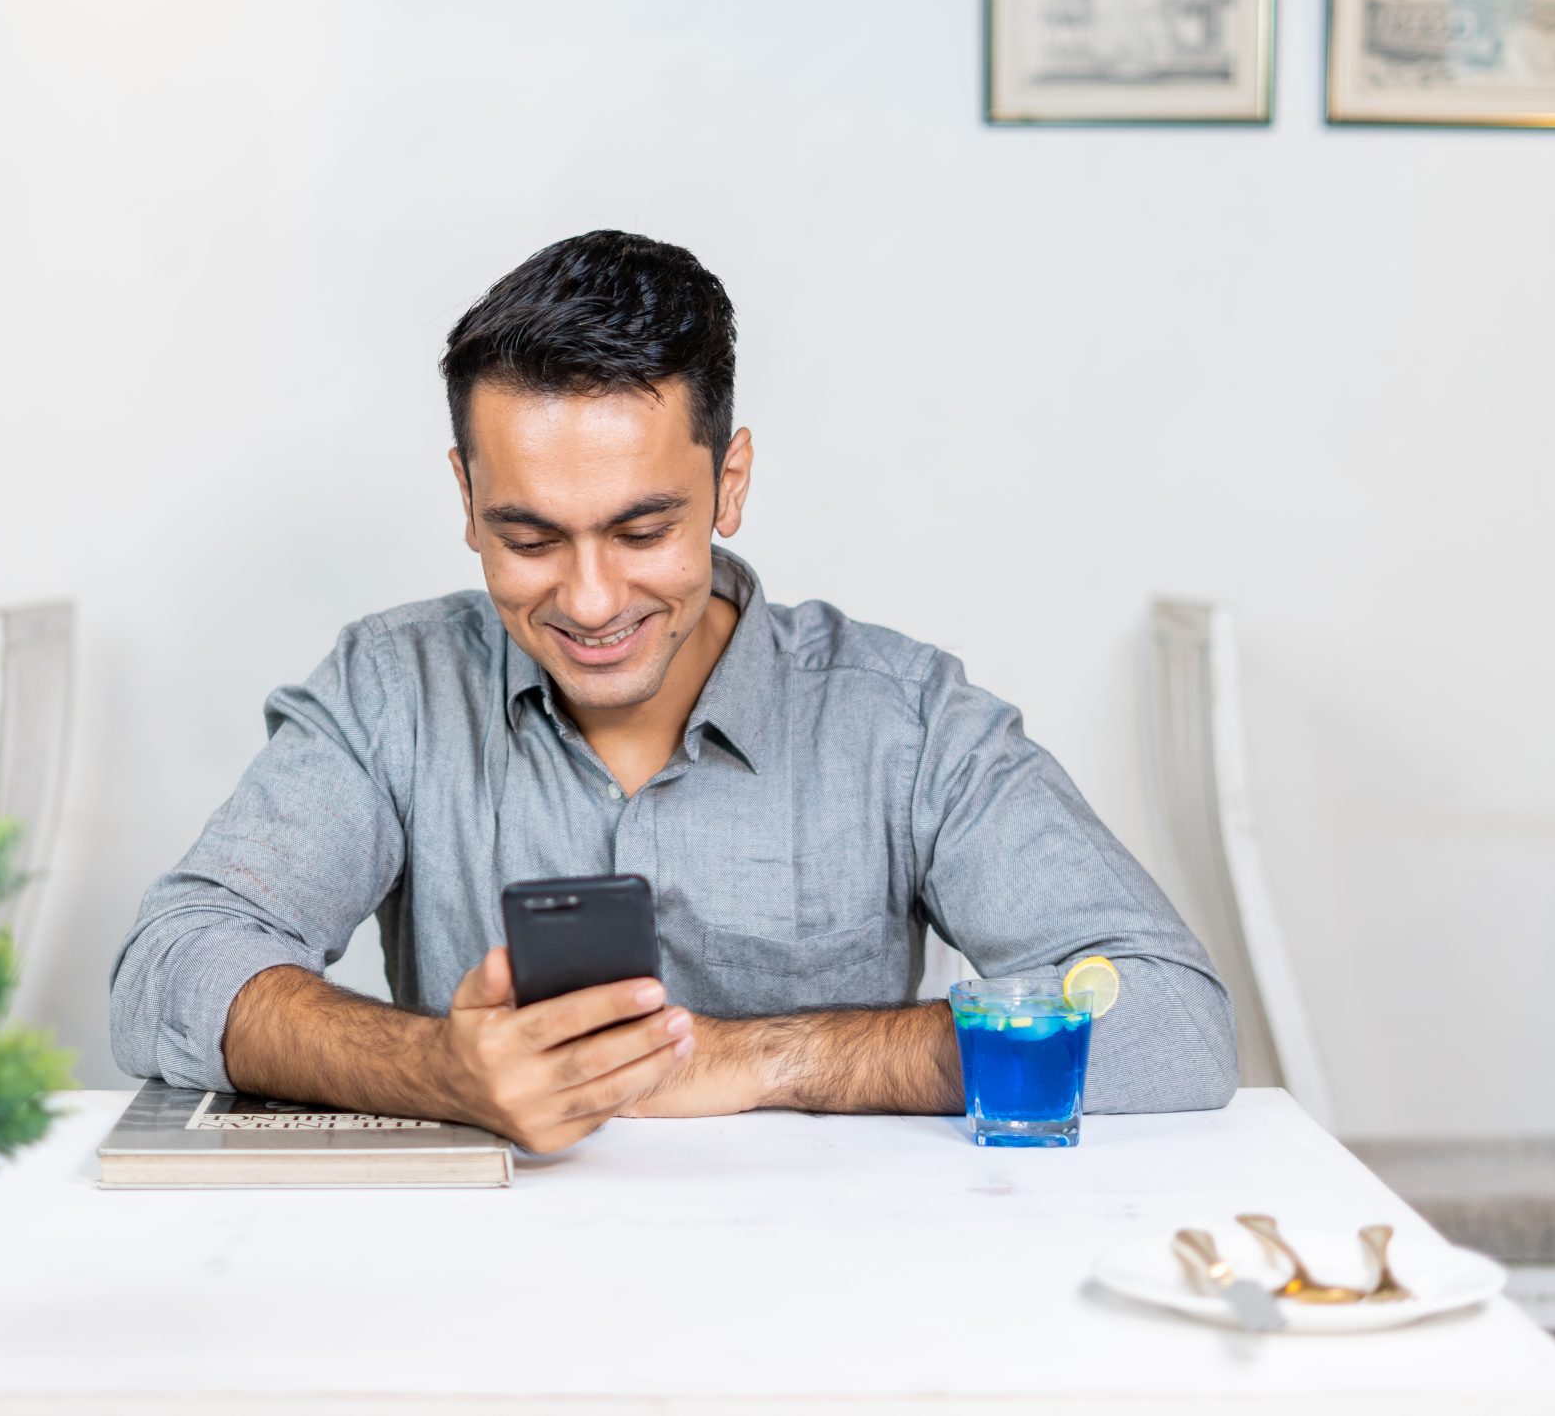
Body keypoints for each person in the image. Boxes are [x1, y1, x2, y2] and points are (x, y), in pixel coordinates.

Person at [111, 230, 1236, 1152]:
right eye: (528, 536)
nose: (592, 600)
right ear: (464, 498)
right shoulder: (388, 690)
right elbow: (173, 962)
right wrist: (437, 1070)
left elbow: (1172, 1020)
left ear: (727, 483)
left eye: (642, 528)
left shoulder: (902, 720)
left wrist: (764, 1056)